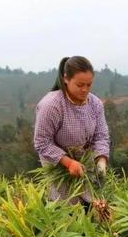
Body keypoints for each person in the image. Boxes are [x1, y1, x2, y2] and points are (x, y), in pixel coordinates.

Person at [33, 56, 110, 205]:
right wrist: (68, 163)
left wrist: (101, 159)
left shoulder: (95, 104)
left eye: (89, 84)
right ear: (66, 79)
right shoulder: (52, 105)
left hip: (84, 160)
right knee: (66, 204)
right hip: (57, 162)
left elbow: (101, 135)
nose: (85, 89)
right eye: (80, 85)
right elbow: (42, 142)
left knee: (91, 201)